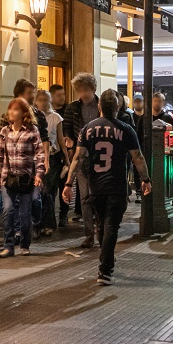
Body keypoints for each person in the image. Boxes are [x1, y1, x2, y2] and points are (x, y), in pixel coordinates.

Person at [63, 89, 152, 285]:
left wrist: (69, 183)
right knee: (111, 226)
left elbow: (77, 158)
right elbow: (138, 157)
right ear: (118, 107)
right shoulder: (126, 129)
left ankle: (107, 259)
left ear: (100, 107)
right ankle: (104, 270)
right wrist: (145, 179)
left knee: (102, 224)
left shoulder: (87, 129)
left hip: (96, 186)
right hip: (117, 185)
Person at [0, 79, 50, 239]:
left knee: (35, 199)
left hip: (32, 167)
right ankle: (17, 232)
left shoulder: (39, 116)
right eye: (30, 94)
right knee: (9, 204)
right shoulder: (7, 116)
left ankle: (34, 221)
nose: (32, 97)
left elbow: (45, 139)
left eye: (34, 94)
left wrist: (45, 160)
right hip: (12, 168)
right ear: (19, 95)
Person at [0, 98, 45, 258]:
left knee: (24, 213)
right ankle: (8, 246)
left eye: (15, 110)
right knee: (8, 210)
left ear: (23, 114)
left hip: (26, 178)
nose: (11, 113)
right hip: (8, 178)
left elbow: (39, 153)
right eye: (10, 109)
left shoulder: (32, 131)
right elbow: (0, 156)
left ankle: (25, 244)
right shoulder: (5, 132)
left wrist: (39, 174)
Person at [63, 72, 100, 247]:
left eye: (86, 90)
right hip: (82, 156)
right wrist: (69, 140)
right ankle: (88, 235)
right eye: (80, 90)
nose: (83, 94)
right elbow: (67, 128)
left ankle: (100, 230)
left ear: (93, 89)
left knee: (99, 196)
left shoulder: (102, 105)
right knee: (84, 197)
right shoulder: (72, 108)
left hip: (100, 157)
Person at [36, 89, 70, 233]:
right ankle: (39, 223)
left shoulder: (55, 117)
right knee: (38, 191)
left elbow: (61, 140)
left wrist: (67, 160)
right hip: (36, 158)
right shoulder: (32, 117)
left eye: (46, 99)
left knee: (48, 190)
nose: (44, 102)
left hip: (53, 157)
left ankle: (48, 224)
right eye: (41, 99)